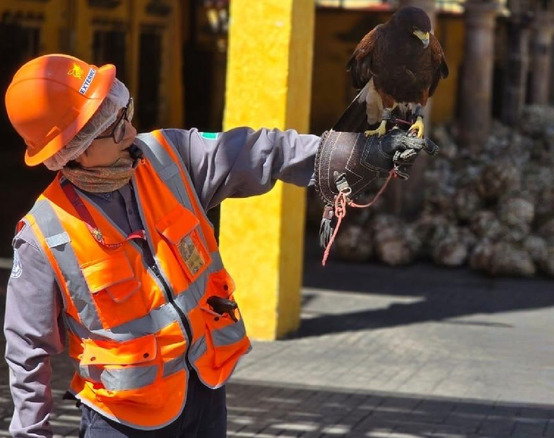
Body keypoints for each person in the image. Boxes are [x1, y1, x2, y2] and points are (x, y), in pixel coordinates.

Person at [2, 53, 318, 438]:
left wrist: (331, 156)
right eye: (116, 128)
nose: (131, 132)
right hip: (122, 420)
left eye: (125, 113)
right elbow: (27, 349)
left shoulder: (170, 157)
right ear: (75, 151)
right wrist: (32, 433)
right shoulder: (43, 235)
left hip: (204, 393)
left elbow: (255, 151)